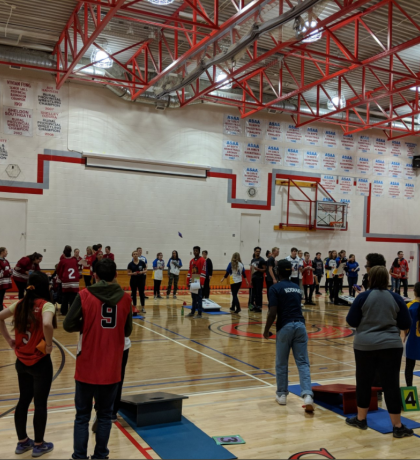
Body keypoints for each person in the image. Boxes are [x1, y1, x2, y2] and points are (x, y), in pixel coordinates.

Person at [63, 258, 133, 459]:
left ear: (94, 275)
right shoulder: (126, 298)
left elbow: (68, 325)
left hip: (86, 365)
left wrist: (87, 325)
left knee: (82, 417)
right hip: (111, 367)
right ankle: (101, 455)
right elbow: (127, 330)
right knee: (104, 416)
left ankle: (79, 456)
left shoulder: (85, 295)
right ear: (116, 275)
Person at [346, 266, 413, 438]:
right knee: (391, 384)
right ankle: (397, 426)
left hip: (364, 346)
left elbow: (351, 321)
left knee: (364, 382)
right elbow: (406, 322)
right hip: (391, 346)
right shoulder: (396, 298)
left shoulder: (362, 297)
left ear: (370, 279)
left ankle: (361, 420)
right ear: (387, 279)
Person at [0, 272, 56, 457]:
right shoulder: (46, 305)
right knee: (40, 404)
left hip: (21, 360)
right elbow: (47, 324)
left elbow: (0, 316)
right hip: (40, 362)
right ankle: (39, 445)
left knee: (23, 400)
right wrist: (48, 345)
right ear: (44, 287)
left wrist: (9, 340)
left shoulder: (21, 303)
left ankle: (22, 442)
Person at [263, 259, 314, 411]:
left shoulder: (275, 288)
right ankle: (307, 395)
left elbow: (273, 312)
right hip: (300, 326)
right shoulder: (296, 288)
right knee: (303, 363)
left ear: (277, 272)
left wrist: (266, 330)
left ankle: (282, 395)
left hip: (285, 326)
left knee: (282, 363)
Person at [57, 246, 80, 316]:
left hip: (66, 281)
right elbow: (77, 269)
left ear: (64, 254)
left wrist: (62, 279)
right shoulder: (74, 260)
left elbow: (58, 271)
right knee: (73, 298)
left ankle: (64, 311)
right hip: (75, 282)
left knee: (65, 297)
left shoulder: (62, 261)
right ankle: (73, 312)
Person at [405, 283, 420, 387]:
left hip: (413, 340)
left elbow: (405, 326)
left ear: (414, 291)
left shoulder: (409, 306)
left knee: (409, 366)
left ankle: (409, 389)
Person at [186, 246, 206, 318]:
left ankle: (199, 313)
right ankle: (192, 312)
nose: (195, 252)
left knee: (199, 298)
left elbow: (203, 272)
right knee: (193, 297)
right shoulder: (191, 261)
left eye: (197, 251)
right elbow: (189, 272)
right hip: (193, 280)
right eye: (194, 251)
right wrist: (188, 282)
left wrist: (201, 283)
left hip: (198, 280)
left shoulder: (202, 260)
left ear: (199, 252)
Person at [250, 247, 266, 312]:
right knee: (253, 293)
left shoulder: (262, 260)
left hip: (259, 278)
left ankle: (259, 306)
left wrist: (258, 269)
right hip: (254, 278)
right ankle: (254, 306)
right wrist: (251, 279)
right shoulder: (252, 260)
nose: (258, 252)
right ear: (254, 252)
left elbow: (265, 269)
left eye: (259, 251)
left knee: (258, 293)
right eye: (256, 251)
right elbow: (252, 270)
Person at [0, 247, 12, 311]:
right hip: (0, 282)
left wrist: (11, 272)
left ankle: (0, 308)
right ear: (2, 252)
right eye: (6, 251)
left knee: (2, 296)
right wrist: (8, 272)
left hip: (4, 282)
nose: (7, 253)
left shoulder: (6, 261)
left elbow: (8, 269)